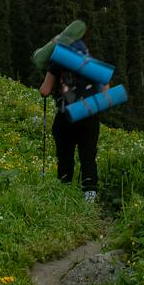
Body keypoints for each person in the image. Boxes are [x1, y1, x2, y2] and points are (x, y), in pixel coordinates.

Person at [39, 22, 102, 202]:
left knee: (65, 157)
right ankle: (89, 196)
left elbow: (45, 90)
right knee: (88, 157)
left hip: (66, 115)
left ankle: (65, 195)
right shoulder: (90, 62)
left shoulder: (58, 61)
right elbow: (106, 89)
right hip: (89, 116)